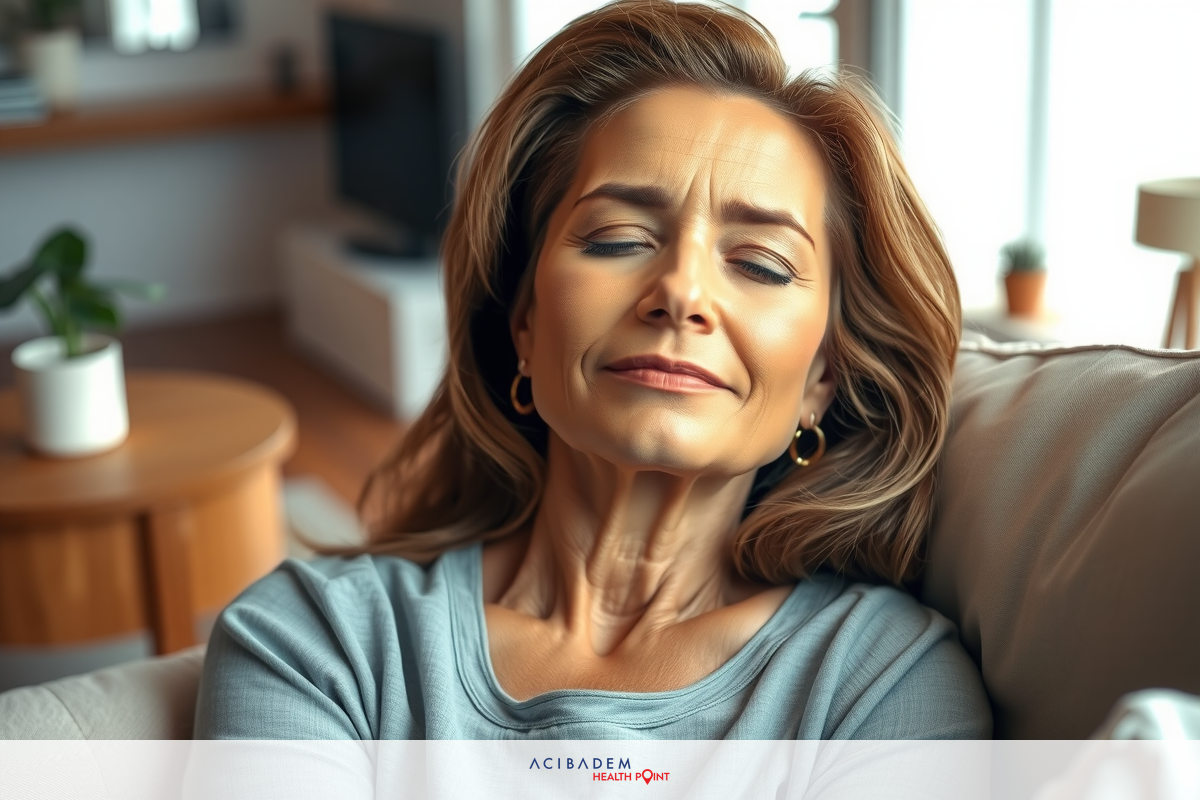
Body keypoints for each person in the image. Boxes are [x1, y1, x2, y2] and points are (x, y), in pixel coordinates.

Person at [195, 0, 991, 741]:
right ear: (525, 323)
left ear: (822, 378)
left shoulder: (883, 683)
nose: (681, 292)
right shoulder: (313, 640)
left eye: (761, 264)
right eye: (617, 239)